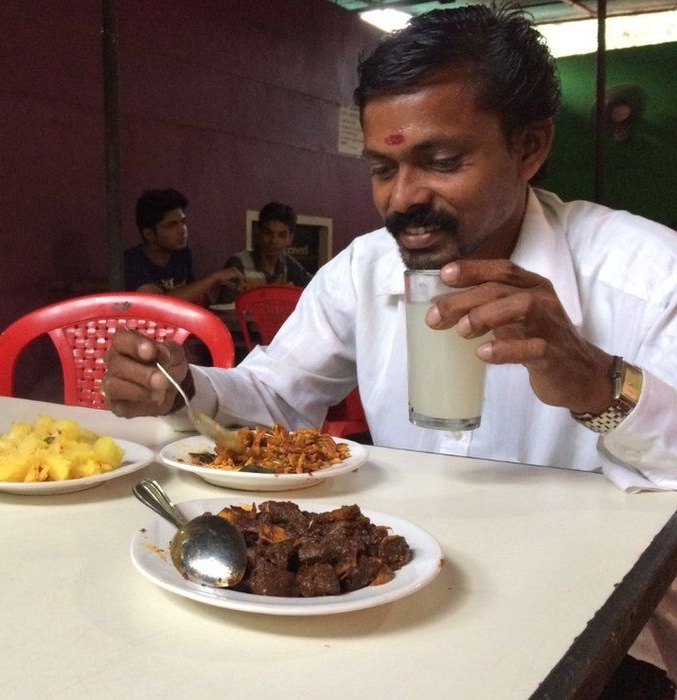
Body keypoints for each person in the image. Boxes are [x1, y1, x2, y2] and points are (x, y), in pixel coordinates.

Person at [102, 5, 677, 688]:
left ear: (530, 147)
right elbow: (277, 397)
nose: (403, 199)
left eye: (442, 161)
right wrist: (183, 387)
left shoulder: (646, 279)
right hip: (390, 602)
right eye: (382, 167)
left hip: (579, 624)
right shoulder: (363, 269)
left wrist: (602, 386)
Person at [124, 188, 242, 304]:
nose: (182, 230)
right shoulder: (131, 260)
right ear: (149, 234)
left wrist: (213, 289)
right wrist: (213, 277)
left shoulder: (181, 253)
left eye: (183, 222)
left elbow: (193, 296)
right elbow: (158, 304)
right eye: (172, 225)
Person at [215, 201, 313, 304]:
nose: (274, 241)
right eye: (268, 233)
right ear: (258, 232)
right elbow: (223, 309)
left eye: (282, 235)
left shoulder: (288, 264)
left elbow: (316, 288)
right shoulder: (238, 264)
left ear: (291, 238)